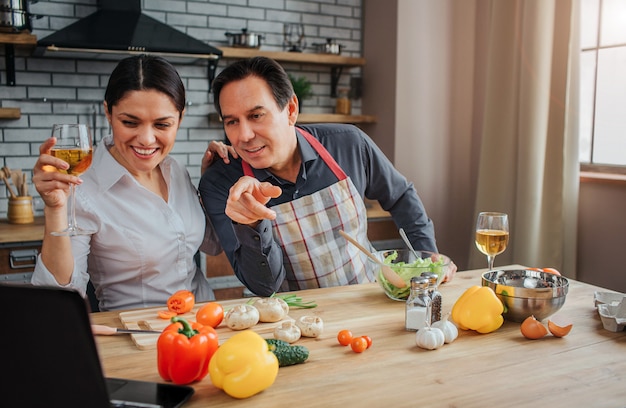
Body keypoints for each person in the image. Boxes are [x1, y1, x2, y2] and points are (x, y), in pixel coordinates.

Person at [199, 56, 455, 296]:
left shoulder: (348, 144)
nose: (243, 135)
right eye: (232, 121)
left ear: (290, 110)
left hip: (366, 299)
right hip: (292, 322)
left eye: (256, 116)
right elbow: (264, 286)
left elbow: (399, 195)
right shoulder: (221, 184)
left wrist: (425, 255)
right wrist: (252, 224)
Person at [31, 54, 231, 311]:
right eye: (130, 122)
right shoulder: (82, 187)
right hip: (139, 335)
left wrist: (215, 182)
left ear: (179, 119)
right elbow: (57, 298)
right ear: (108, 113)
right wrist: (55, 209)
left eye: (162, 124)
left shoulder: (175, 169)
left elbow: (212, 245)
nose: (147, 139)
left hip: (205, 324)